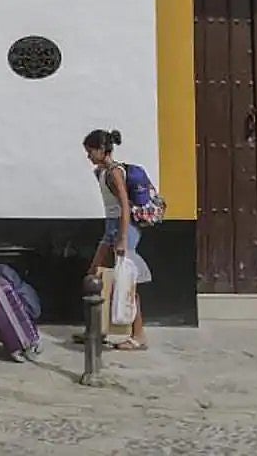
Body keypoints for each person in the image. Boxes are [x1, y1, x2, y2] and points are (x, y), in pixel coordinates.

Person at [83, 128, 149, 351]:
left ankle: (138, 336)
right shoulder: (100, 172)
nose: (88, 156)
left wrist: (122, 238)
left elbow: (124, 206)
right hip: (110, 228)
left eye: (91, 151)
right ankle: (97, 329)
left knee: (127, 283)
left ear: (102, 150)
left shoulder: (114, 173)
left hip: (123, 229)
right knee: (94, 275)